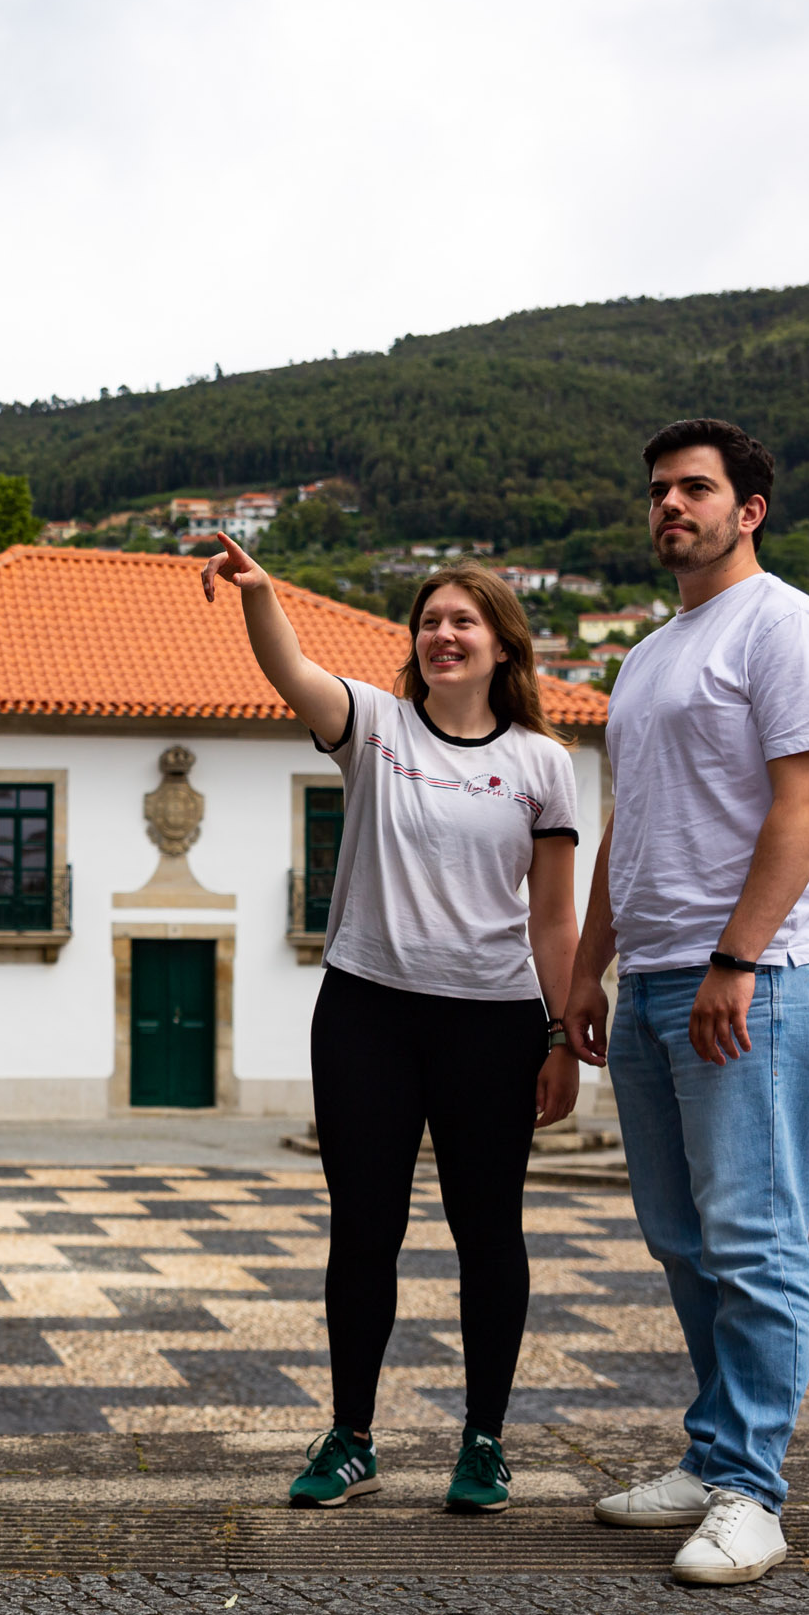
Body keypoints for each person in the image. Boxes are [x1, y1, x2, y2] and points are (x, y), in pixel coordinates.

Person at [202, 539, 582, 1516]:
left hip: (493, 1024)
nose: (444, 634)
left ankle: (484, 1441)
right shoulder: (372, 723)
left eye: (464, 621)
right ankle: (353, 1437)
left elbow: (550, 915)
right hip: (367, 1012)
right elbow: (288, 669)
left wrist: (559, 1030)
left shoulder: (543, 763)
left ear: (503, 643)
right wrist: (261, 594)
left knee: (486, 1231)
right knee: (362, 1228)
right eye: (430, 621)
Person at [565, 418, 809, 1587]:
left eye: (694, 489)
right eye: (658, 492)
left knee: (752, 1235)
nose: (669, 507)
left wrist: (736, 959)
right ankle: (714, 1450)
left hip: (757, 975)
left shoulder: (788, 627)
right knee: (681, 1238)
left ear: (749, 509)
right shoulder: (646, 657)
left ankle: (751, 1491)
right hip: (651, 979)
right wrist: (589, 969)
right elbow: (624, 832)